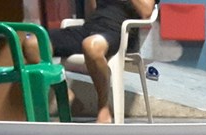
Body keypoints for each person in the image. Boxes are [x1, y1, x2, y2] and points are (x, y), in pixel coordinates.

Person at [23, 0, 156, 124]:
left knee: (91, 46)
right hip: (90, 28)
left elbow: (146, 11)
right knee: (33, 44)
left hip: (120, 32)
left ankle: (104, 106)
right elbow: (91, 11)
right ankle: (65, 96)